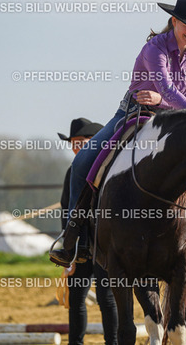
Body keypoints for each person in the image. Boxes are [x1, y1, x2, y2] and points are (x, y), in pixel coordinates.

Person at [49, 0, 186, 270]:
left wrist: (166, 104)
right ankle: (74, 237)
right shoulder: (154, 49)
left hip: (173, 118)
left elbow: (185, 96)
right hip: (133, 113)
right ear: (174, 21)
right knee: (83, 162)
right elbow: (168, 89)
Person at [55, 118, 118, 345]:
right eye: (74, 143)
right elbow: (66, 211)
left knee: (106, 298)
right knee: (76, 299)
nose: (77, 147)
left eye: (82, 142)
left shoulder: (109, 170)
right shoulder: (71, 172)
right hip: (80, 244)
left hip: (102, 244)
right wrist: (68, 247)